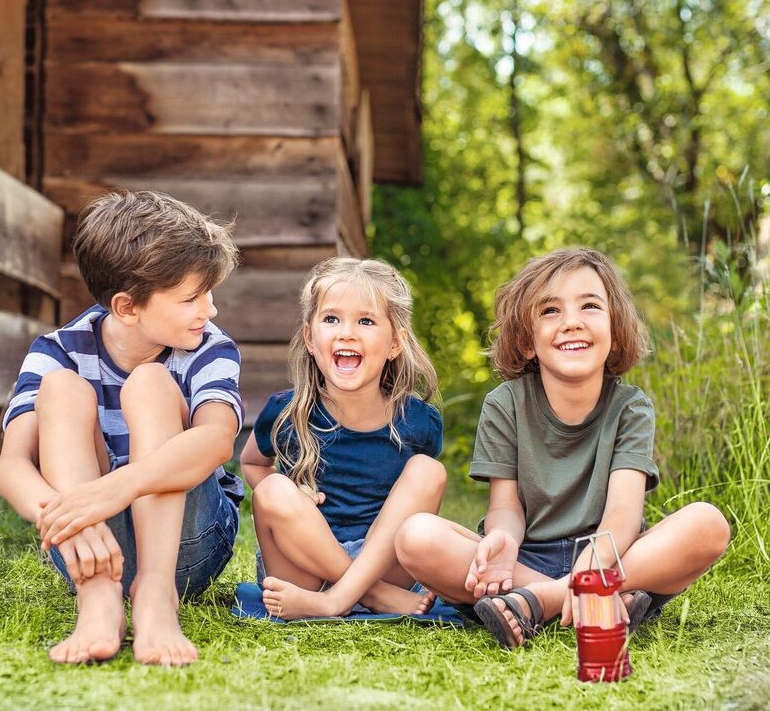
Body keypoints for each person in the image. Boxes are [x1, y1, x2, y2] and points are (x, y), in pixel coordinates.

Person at [394, 247, 731, 648]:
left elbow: (623, 516)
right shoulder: (505, 404)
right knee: (416, 537)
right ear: (526, 343)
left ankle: (543, 601)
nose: (571, 322)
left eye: (589, 306)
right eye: (550, 311)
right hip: (524, 561)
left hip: (613, 558)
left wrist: (592, 570)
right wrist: (502, 538)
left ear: (615, 331)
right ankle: (599, 602)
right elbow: (505, 506)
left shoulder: (631, 407)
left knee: (708, 524)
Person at [0, 191, 244, 666]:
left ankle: (155, 596)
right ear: (127, 307)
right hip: (89, 550)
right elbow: (11, 466)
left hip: (189, 547)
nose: (208, 310)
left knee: (150, 382)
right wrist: (66, 518)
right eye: (192, 297)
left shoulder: (208, 347)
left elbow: (217, 439)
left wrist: (115, 488)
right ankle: (98, 599)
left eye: (208, 293)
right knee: (61, 389)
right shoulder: (58, 348)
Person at [240, 256, 446, 620]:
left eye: (365, 321)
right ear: (310, 338)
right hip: (305, 566)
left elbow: (416, 502)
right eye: (331, 319)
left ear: (395, 343)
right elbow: (253, 462)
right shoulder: (286, 412)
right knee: (273, 489)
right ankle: (372, 596)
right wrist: (293, 495)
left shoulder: (418, 421)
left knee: (429, 471)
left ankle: (345, 597)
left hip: (380, 562)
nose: (346, 332)